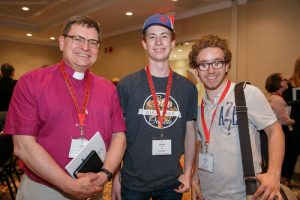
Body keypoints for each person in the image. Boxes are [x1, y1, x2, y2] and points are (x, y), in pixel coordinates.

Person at [4, 15, 126, 200]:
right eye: (77, 39)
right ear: (62, 42)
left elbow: (119, 136)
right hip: (45, 190)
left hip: (94, 187)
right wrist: (67, 184)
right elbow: (23, 146)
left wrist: (105, 174)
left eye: (93, 42)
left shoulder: (108, 88)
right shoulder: (31, 82)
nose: (85, 47)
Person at [112, 14, 198, 200]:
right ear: (144, 43)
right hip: (133, 182)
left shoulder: (188, 88)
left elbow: (191, 132)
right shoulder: (127, 85)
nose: (158, 42)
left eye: (164, 36)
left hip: (172, 182)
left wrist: (188, 171)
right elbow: (118, 134)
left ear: (173, 42)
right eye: (152, 36)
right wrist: (116, 175)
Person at [189, 34, 285, 200]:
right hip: (206, 194)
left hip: (244, 194)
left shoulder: (247, 94)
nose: (211, 70)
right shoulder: (198, 106)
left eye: (217, 62)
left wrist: (274, 174)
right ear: (197, 70)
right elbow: (201, 144)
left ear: (227, 66)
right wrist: (195, 177)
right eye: (204, 64)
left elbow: (275, 131)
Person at [265, 73, 295, 186]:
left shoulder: (273, 97)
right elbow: (284, 120)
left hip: (279, 129)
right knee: (287, 158)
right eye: (284, 80)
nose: (286, 81)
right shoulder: (278, 99)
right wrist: (293, 121)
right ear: (279, 84)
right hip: (281, 131)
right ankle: (281, 186)